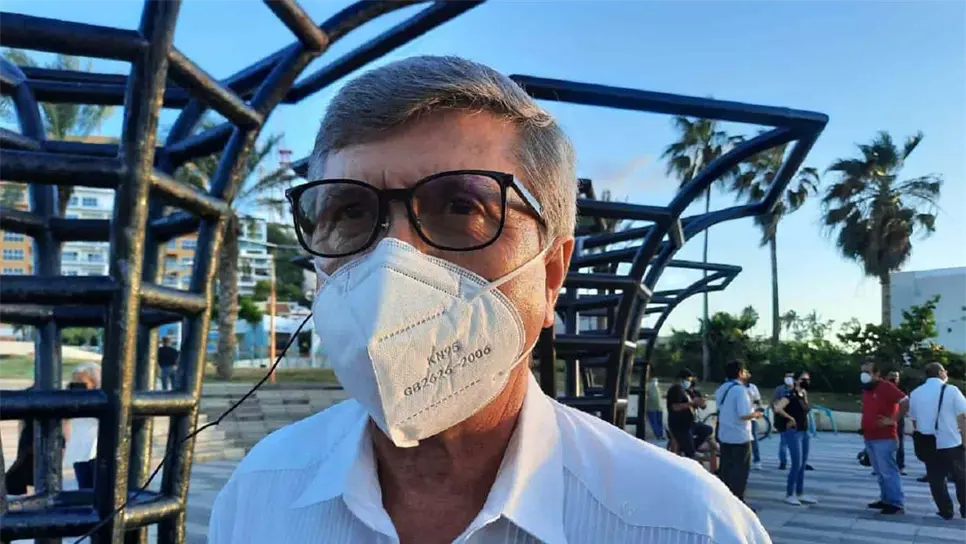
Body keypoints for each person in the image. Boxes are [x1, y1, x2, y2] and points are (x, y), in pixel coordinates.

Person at [207, 56, 766, 543]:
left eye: (460, 207)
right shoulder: (259, 494)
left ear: (551, 274)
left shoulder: (688, 525)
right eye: (350, 211)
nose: (392, 260)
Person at [908, 363, 966, 520]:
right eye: (945, 370)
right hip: (950, 442)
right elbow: (963, 416)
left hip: (928, 442)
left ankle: (945, 510)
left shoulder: (916, 393)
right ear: (940, 372)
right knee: (962, 477)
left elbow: (914, 421)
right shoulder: (952, 390)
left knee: (936, 479)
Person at [860, 359, 908, 515]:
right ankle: (886, 498)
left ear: (877, 373)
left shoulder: (886, 387)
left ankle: (896, 502)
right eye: (862, 372)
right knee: (880, 471)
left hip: (885, 437)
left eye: (867, 372)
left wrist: (893, 419)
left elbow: (905, 401)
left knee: (888, 470)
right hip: (870, 436)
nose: (864, 375)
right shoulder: (867, 388)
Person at [714, 361, 762, 503]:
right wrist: (757, 414)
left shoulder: (722, 388)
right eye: (744, 371)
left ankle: (724, 500)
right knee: (740, 472)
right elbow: (743, 414)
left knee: (726, 470)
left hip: (724, 434)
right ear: (740, 373)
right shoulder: (740, 390)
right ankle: (738, 502)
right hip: (740, 436)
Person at [773, 371, 817, 506]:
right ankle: (789, 494)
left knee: (803, 463)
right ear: (796, 380)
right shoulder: (790, 394)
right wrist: (790, 418)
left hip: (804, 432)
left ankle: (800, 493)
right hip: (793, 432)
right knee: (796, 463)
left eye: (808, 379)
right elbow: (777, 408)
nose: (806, 381)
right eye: (804, 379)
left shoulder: (803, 393)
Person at [666, 368, 718, 472]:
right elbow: (675, 407)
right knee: (690, 451)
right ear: (682, 379)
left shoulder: (688, 391)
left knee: (707, 430)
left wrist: (700, 402)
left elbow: (700, 405)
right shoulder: (675, 390)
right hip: (680, 425)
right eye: (688, 380)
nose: (689, 383)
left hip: (691, 423)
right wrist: (691, 403)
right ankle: (690, 454)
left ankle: (691, 447)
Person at [65, 364, 101, 490]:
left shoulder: (100, 398)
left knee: (99, 486)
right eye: (74, 381)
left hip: (96, 448)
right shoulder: (70, 400)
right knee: (83, 487)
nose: (77, 385)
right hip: (78, 450)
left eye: (81, 382)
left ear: (94, 382)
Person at [886, 370, 908, 475]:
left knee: (900, 442)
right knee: (883, 442)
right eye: (892, 376)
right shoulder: (882, 389)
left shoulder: (901, 390)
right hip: (885, 417)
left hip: (898, 418)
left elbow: (905, 403)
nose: (894, 378)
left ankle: (900, 466)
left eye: (896, 376)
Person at [774, 372, 794, 470]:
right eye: (787, 376)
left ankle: (800, 461)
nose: (788, 378)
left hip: (796, 418)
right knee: (784, 441)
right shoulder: (780, 389)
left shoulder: (798, 389)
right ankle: (783, 462)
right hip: (783, 418)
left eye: (790, 376)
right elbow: (774, 402)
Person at [745, 376, 763, 470]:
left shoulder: (752, 387)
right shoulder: (735, 387)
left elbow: (758, 400)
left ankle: (757, 460)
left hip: (751, 416)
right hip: (739, 417)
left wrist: (759, 410)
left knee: (754, 439)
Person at [645, 376, 665, 440]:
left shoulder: (648, 387)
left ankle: (658, 436)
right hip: (659, 408)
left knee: (654, 423)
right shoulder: (658, 388)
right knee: (659, 423)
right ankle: (660, 435)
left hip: (651, 408)